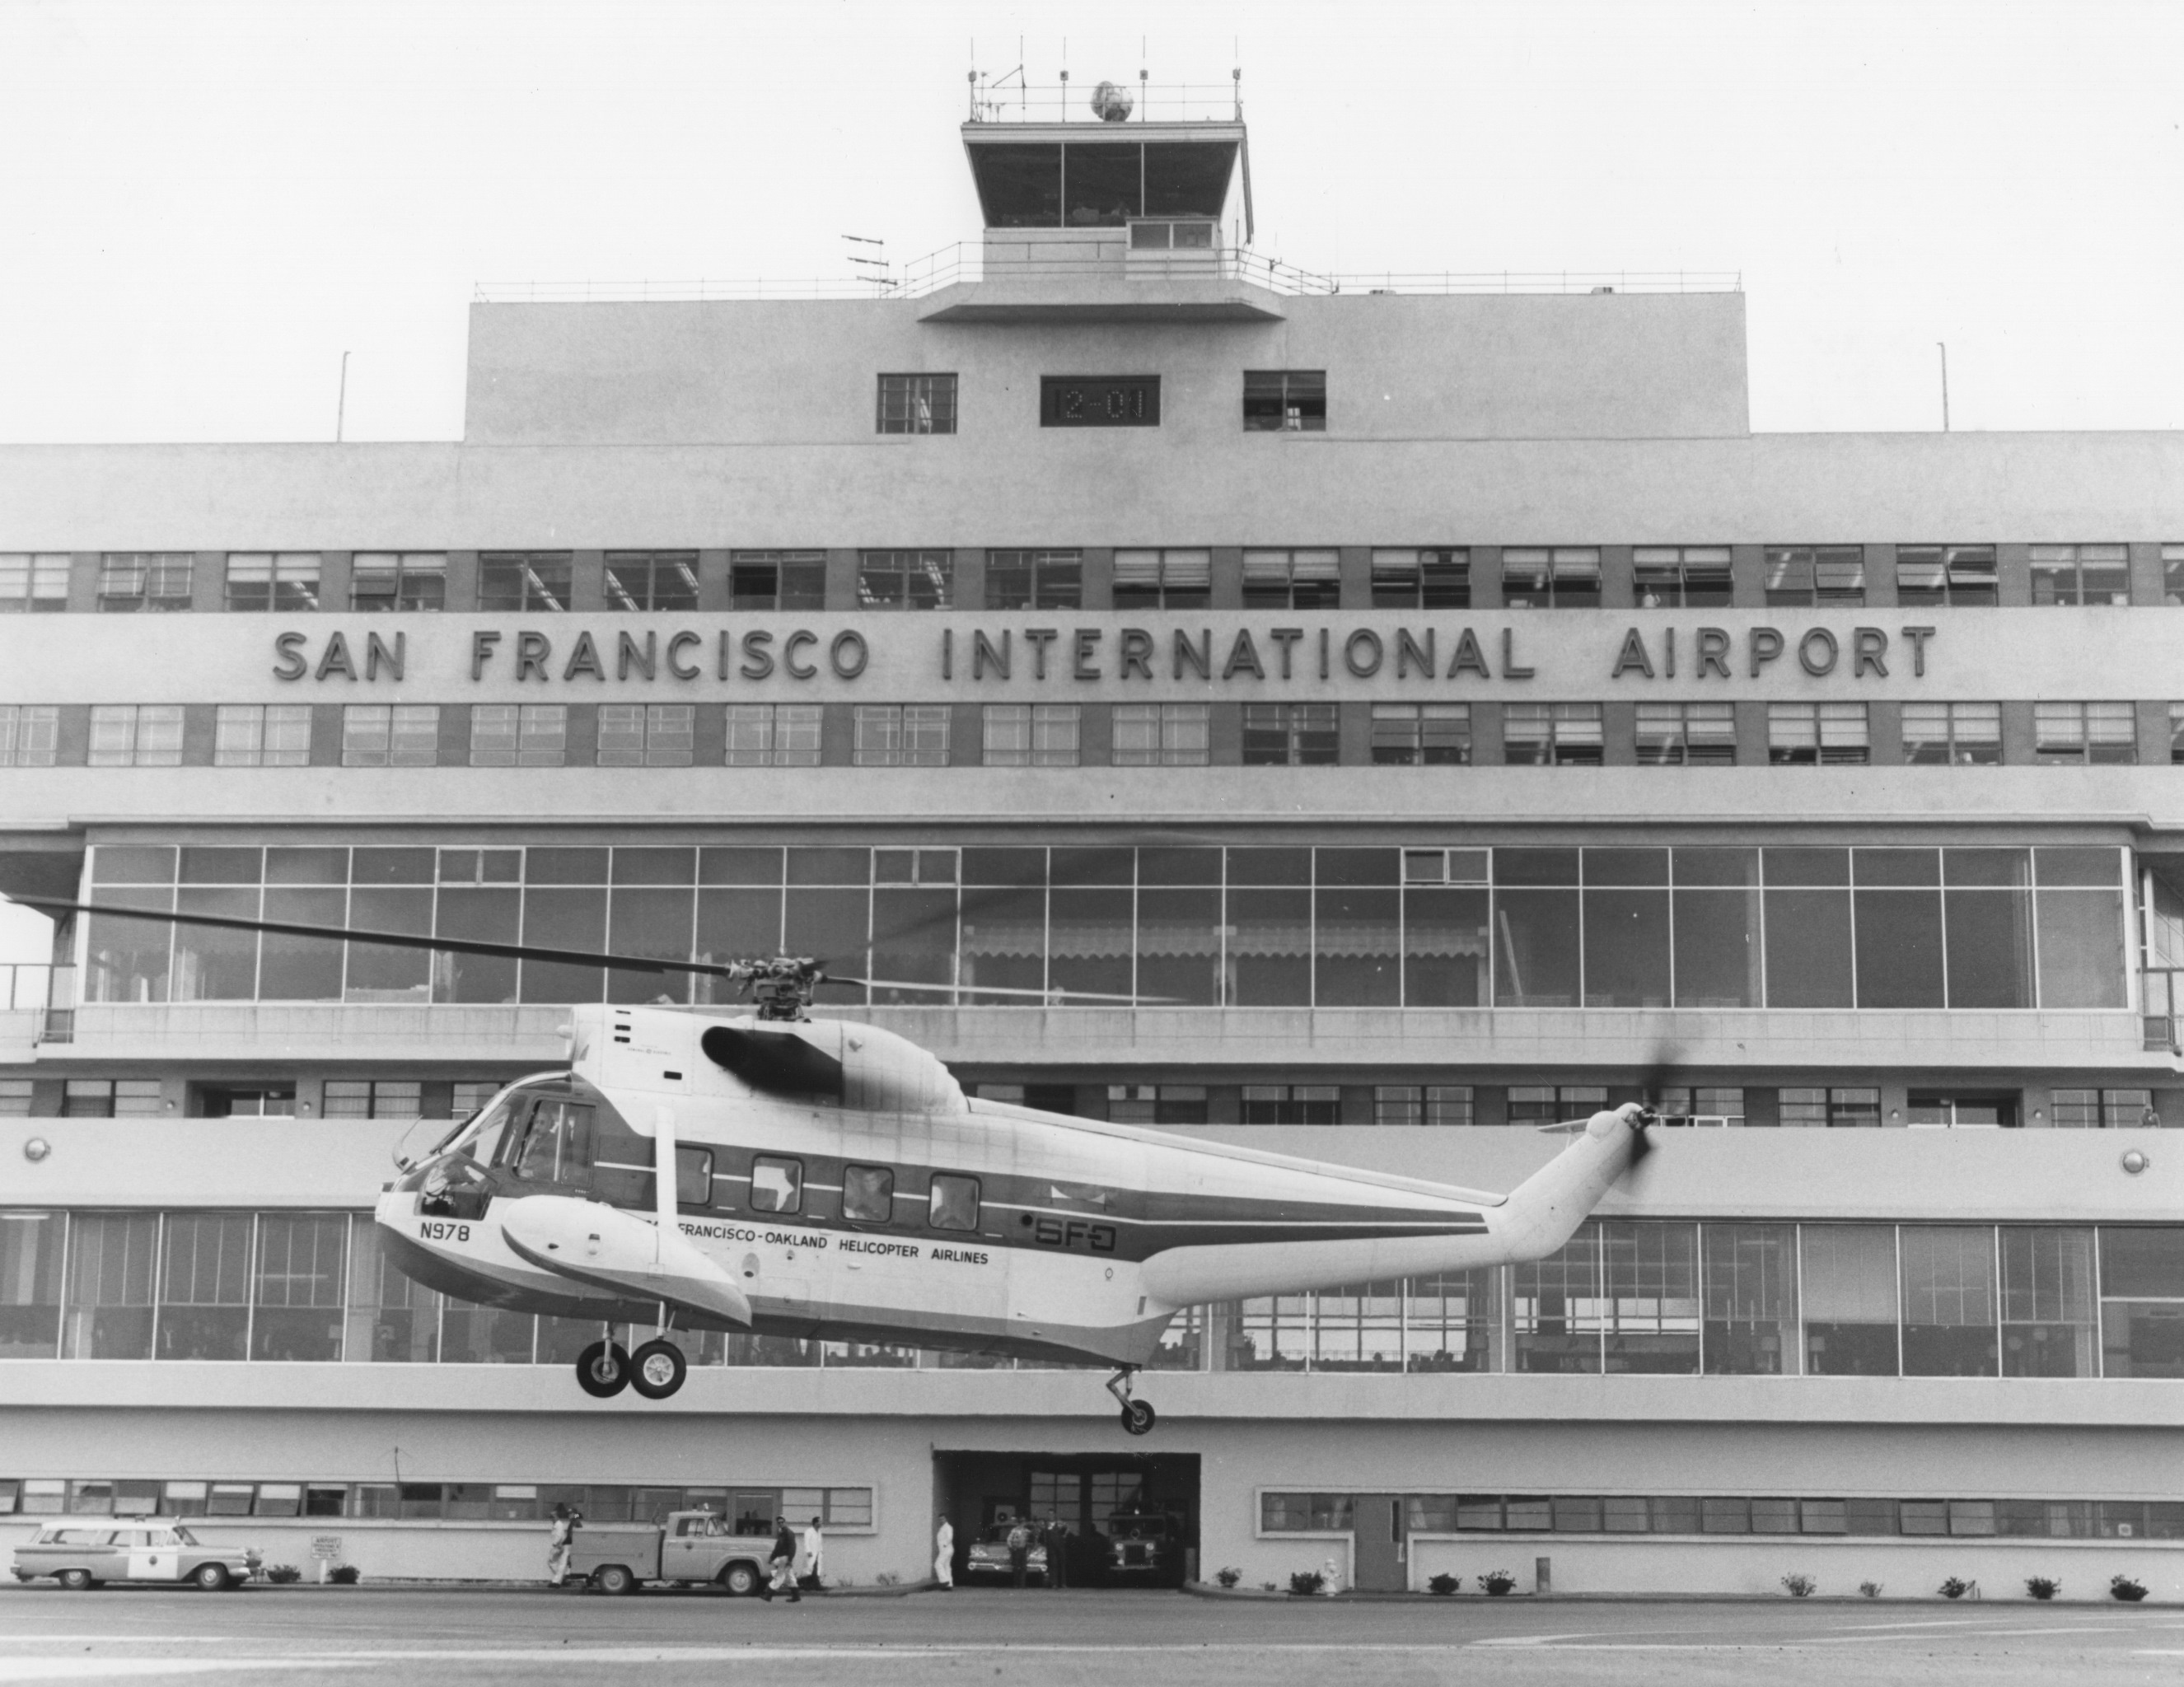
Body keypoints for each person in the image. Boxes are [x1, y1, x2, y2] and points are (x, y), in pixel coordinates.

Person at [761, 1515, 801, 1602]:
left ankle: (768, 1595)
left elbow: (792, 1547)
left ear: (785, 1522)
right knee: (789, 1577)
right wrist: (772, 1557)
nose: (780, 1524)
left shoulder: (788, 1533)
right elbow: (778, 1547)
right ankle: (796, 1596)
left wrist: (790, 1560)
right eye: (779, 1523)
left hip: (785, 1558)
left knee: (779, 1576)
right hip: (784, 1557)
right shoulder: (782, 1533)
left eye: (782, 1522)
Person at [545, 1502, 575, 1587]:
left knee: (559, 1563)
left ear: (557, 1517)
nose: (552, 1519)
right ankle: (562, 1579)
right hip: (560, 1546)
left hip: (560, 1546)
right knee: (555, 1563)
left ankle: (557, 1582)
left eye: (553, 1517)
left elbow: (559, 1536)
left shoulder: (559, 1525)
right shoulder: (558, 1525)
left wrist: (555, 1544)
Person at [1041, 1517, 1069, 1590]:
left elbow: (1067, 1530)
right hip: (1053, 1551)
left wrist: (1065, 1531)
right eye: (1059, 1523)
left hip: (1060, 1551)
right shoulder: (1050, 1530)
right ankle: (1054, 1583)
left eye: (1061, 1524)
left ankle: (1062, 1583)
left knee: (1061, 1567)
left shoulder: (1062, 1530)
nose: (1060, 1525)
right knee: (1054, 1566)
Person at [1006, 1516, 1031, 1588]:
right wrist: (1011, 1547)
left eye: (1024, 1523)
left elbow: (1032, 1537)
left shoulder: (1026, 1531)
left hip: (1023, 1550)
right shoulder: (1014, 1531)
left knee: (1024, 1567)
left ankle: (1022, 1584)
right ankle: (1016, 1584)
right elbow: (1009, 1539)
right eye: (1022, 1523)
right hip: (1016, 1550)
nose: (1023, 1524)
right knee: (1016, 1567)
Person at [800, 1515, 824, 1591]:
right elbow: (806, 1542)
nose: (821, 1523)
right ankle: (815, 1586)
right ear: (815, 1523)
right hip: (811, 1553)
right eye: (819, 1522)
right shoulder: (809, 1531)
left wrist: (821, 1551)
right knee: (809, 1569)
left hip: (817, 1553)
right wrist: (808, 1551)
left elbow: (819, 1542)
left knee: (815, 1569)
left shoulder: (819, 1532)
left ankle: (810, 1585)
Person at [933, 1516, 954, 1590]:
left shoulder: (948, 1527)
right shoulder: (942, 1528)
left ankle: (944, 1581)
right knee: (946, 1567)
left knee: (938, 1564)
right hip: (945, 1550)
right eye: (940, 1519)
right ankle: (949, 1585)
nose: (941, 1520)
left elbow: (949, 1537)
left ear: (946, 1519)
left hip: (946, 1549)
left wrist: (944, 1545)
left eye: (943, 1519)